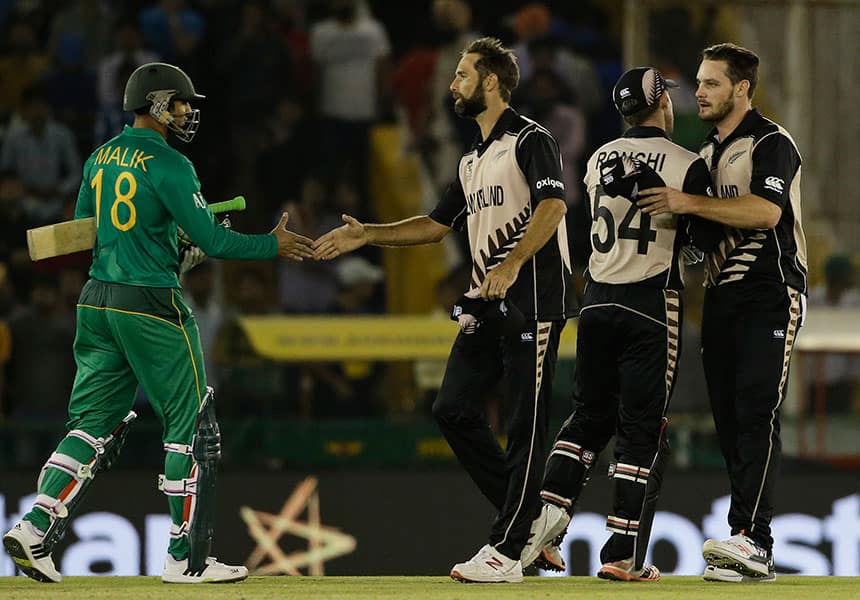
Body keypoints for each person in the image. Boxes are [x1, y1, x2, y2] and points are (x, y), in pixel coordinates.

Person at [2, 62, 314, 585]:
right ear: (157, 102)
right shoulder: (172, 164)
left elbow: (89, 234)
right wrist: (270, 244)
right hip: (150, 302)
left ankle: (34, 529)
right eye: (183, 102)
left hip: (98, 299)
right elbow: (214, 242)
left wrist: (172, 248)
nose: (189, 112)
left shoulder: (100, 157)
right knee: (190, 423)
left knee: (91, 425)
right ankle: (186, 559)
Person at [314, 37, 576, 583]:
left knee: (527, 425)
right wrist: (369, 236)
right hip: (488, 302)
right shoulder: (472, 159)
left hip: (532, 298)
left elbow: (554, 204)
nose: (452, 85)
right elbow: (435, 225)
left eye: (461, 75)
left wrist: (511, 264)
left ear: (490, 83)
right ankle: (531, 524)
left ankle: (506, 550)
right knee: (451, 408)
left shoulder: (531, 139)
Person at [520, 67, 720, 581]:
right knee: (640, 430)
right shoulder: (687, 163)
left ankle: (546, 527)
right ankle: (621, 553)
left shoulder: (597, 158)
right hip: (651, 303)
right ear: (661, 106)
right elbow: (696, 246)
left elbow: (591, 223)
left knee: (586, 419)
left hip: (598, 300)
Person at [635, 43, 808, 583]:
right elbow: (704, 233)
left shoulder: (770, 141)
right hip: (722, 299)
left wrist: (687, 205)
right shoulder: (705, 154)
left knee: (756, 410)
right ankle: (745, 544)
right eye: (699, 82)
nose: (700, 92)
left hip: (771, 292)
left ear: (741, 89)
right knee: (731, 420)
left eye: (711, 83)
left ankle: (754, 537)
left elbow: (766, 210)